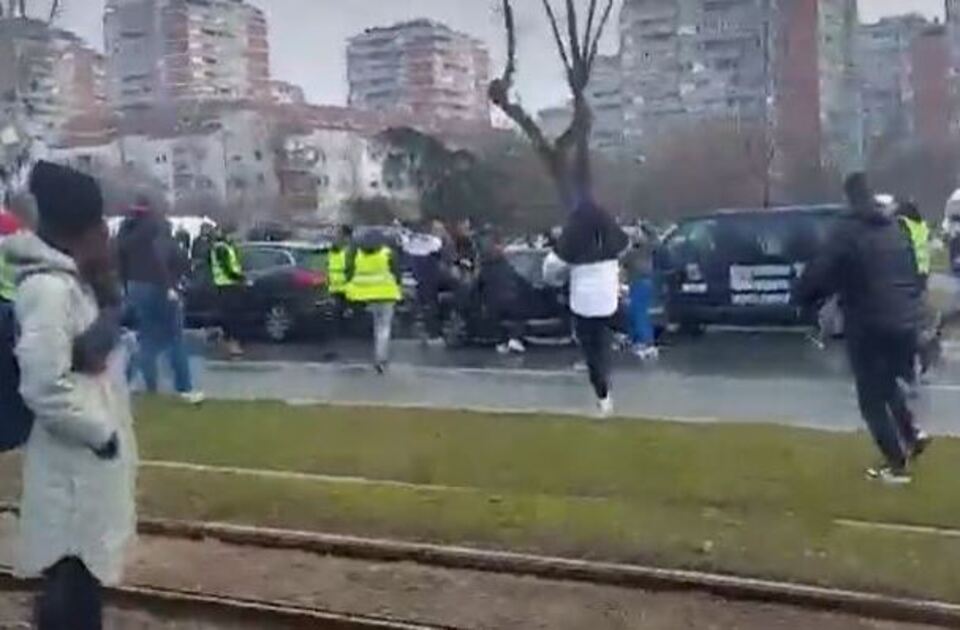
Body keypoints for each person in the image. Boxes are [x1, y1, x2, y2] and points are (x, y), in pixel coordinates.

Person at [1, 161, 137, 629]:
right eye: (99, 224)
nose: (107, 234)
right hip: (71, 471)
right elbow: (43, 384)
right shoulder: (48, 290)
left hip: (83, 471)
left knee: (80, 589)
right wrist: (101, 434)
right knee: (69, 594)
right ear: (79, 229)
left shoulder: (78, 285)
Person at [794, 173, 928, 484]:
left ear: (849, 198)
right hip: (904, 319)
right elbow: (910, 270)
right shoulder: (894, 227)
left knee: (870, 399)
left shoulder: (847, 230)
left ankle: (896, 466)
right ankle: (911, 435)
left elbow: (823, 270)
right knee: (885, 383)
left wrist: (802, 297)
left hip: (869, 321)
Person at [116, 198, 202, 403]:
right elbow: (164, 259)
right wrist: (170, 287)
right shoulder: (156, 230)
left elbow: (119, 262)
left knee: (146, 338)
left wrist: (126, 286)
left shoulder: (126, 233)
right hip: (159, 287)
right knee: (174, 338)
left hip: (135, 287)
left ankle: (127, 383)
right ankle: (184, 388)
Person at [554, 198, 629, 417]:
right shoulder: (611, 239)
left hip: (584, 301)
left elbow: (554, 266)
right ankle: (614, 346)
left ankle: (603, 393)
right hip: (606, 298)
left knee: (592, 351)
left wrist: (556, 277)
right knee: (601, 341)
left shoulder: (573, 240)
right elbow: (624, 246)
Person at [345, 229, 402, 373]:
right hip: (387, 294)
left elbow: (350, 272)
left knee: (377, 325)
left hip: (368, 296)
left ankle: (378, 356)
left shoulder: (359, 255)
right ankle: (381, 358)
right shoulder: (388, 254)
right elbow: (397, 273)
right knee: (384, 327)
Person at [477, 235, 527, 354]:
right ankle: (514, 339)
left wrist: (481, 301)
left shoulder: (485, 268)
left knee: (496, 321)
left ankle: (502, 342)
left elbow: (479, 285)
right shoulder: (507, 266)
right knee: (517, 318)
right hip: (511, 298)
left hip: (492, 301)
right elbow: (519, 279)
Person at [402, 220, 445, 345]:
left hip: (414, 276)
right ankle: (431, 333)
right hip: (428, 278)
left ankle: (422, 332)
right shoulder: (434, 242)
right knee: (429, 306)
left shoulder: (411, 240)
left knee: (420, 307)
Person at [623, 224, 659, 360]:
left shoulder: (638, 250)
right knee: (635, 312)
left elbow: (623, 260)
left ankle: (647, 343)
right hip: (640, 283)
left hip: (639, 283)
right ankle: (637, 340)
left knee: (639, 314)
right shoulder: (646, 248)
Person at [209, 225, 246, 357]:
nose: (235, 237)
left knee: (229, 316)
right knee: (231, 317)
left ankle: (224, 337)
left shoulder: (226, 247)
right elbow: (227, 269)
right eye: (233, 234)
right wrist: (240, 278)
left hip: (228, 284)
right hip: (226, 285)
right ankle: (231, 343)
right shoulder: (221, 248)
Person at [327, 225, 353, 329]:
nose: (337, 237)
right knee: (338, 313)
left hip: (340, 288)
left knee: (339, 313)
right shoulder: (340, 251)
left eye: (339, 234)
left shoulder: (347, 251)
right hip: (339, 287)